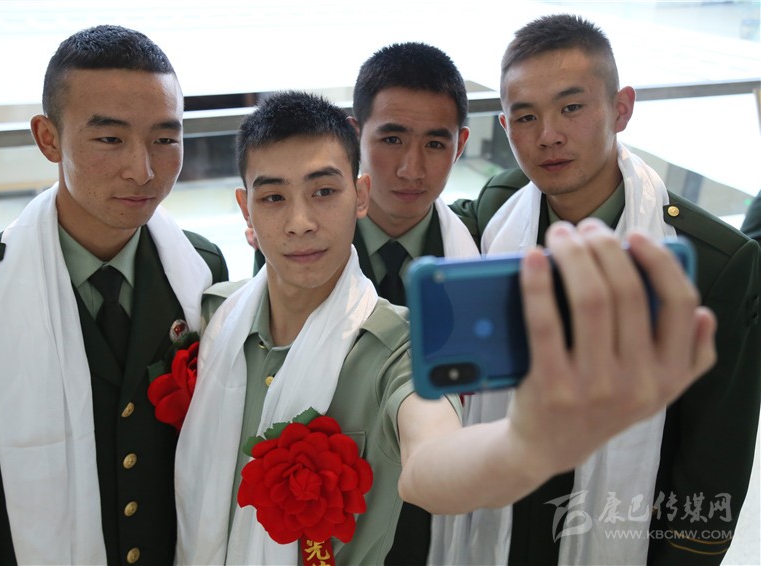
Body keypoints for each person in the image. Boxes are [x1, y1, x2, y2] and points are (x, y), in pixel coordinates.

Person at [174, 90, 716, 564]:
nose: (300, 222)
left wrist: (527, 444)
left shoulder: (403, 346)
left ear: (360, 196)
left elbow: (430, 464)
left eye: (324, 191)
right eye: (273, 197)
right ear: (245, 208)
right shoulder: (216, 318)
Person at [438, 14, 761, 565]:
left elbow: (713, 467)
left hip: (621, 526)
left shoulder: (714, 264)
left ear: (621, 108)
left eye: (571, 107)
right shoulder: (499, 212)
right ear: (506, 126)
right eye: (526, 116)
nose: (548, 135)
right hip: (506, 514)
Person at [0, 25, 228, 565]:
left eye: (165, 139)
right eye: (110, 139)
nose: (143, 170)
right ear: (48, 138)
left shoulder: (200, 271)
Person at [249, 44, 477, 562]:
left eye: (435, 143)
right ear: (356, 134)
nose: (411, 168)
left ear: (461, 144)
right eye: (391, 138)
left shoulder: (480, 247)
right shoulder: (292, 250)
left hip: (430, 531)